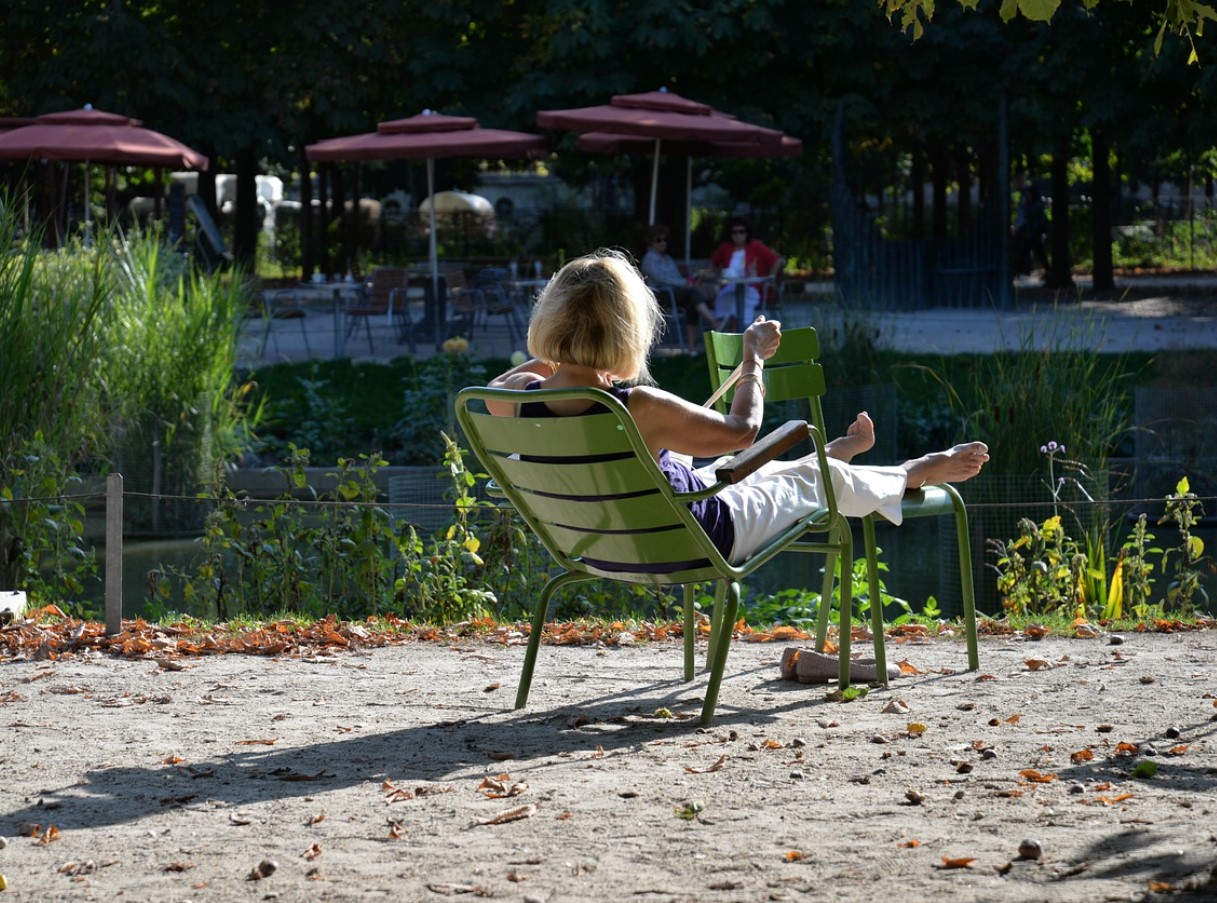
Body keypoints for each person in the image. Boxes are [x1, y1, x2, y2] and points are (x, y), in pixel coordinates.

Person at [487, 249, 990, 574]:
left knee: (737, 472)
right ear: (628, 330)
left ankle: (826, 456)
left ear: (549, 319)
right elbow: (743, 431)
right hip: (693, 541)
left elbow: (506, 381)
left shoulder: (512, 399)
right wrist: (752, 360)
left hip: (597, 549)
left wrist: (559, 355)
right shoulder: (638, 407)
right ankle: (910, 472)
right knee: (818, 481)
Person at [640, 223, 719, 350]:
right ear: (651, 242)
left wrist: (689, 281)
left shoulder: (667, 258)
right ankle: (713, 321)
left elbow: (676, 276)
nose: (663, 243)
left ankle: (691, 347)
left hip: (675, 293)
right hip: (661, 295)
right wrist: (685, 283)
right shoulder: (649, 260)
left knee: (692, 303)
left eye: (665, 239)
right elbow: (661, 279)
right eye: (658, 240)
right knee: (692, 292)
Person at [709, 217, 783, 327]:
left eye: (741, 231)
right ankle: (728, 329)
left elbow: (777, 260)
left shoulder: (755, 246)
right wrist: (715, 275)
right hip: (729, 287)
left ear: (747, 233)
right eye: (734, 232)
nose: (737, 235)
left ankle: (738, 329)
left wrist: (771, 278)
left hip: (751, 288)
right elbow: (713, 262)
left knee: (740, 302)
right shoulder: (726, 247)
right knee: (725, 300)